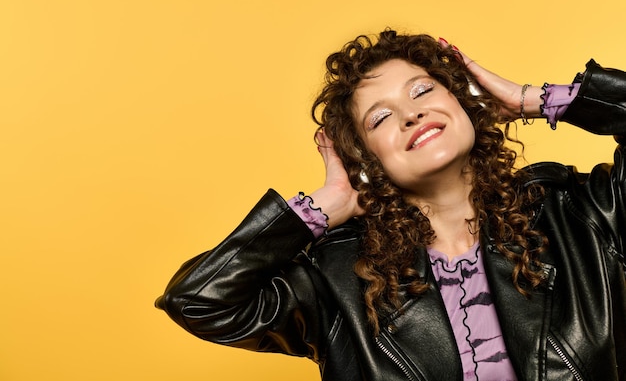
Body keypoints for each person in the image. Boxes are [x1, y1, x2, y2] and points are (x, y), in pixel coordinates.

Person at [155, 29, 626, 381]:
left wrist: (538, 101)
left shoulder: (579, 213)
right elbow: (199, 302)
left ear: (466, 103)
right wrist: (322, 209)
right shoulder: (339, 276)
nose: (410, 114)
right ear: (367, 158)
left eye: (422, 90)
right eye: (380, 118)